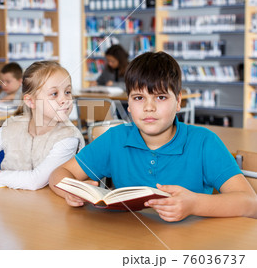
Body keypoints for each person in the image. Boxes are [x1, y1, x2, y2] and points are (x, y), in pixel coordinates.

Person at [50, 52, 257, 222]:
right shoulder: (115, 139)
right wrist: (70, 190)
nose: (149, 107)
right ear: (129, 105)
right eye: (139, 98)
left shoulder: (204, 142)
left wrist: (194, 203)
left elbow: (251, 203)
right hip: (127, 243)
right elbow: (59, 173)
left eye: (160, 97)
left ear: (178, 102)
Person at [0, 61, 85, 190]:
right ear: (30, 101)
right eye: (54, 94)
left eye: (67, 92)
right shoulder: (13, 127)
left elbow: (35, 181)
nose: (65, 100)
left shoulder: (68, 137)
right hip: (8, 204)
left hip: (50, 207)